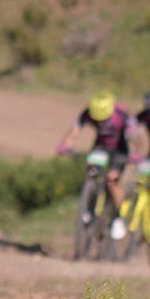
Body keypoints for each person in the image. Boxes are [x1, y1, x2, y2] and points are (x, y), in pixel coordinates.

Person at [56, 91, 136, 239]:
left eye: (103, 119)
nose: (99, 123)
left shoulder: (122, 116)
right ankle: (88, 206)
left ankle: (118, 217)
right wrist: (65, 144)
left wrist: (135, 155)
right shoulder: (88, 112)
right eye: (96, 120)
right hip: (101, 146)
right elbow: (75, 130)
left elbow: (134, 138)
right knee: (91, 171)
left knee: (112, 181)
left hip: (120, 150)